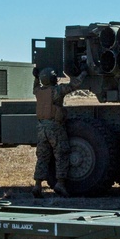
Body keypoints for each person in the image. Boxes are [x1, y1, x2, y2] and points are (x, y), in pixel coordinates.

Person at [33, 66, 87, 198]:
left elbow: (35, 87)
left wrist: (35, 78)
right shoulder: (56, 91)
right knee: (61, 154)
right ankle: (60, 184)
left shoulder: (38, 91)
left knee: (42, 156)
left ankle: (37, 185)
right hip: (55, 127)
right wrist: (83, 73)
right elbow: (73, 85)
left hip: (41, 128)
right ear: (52, 79)